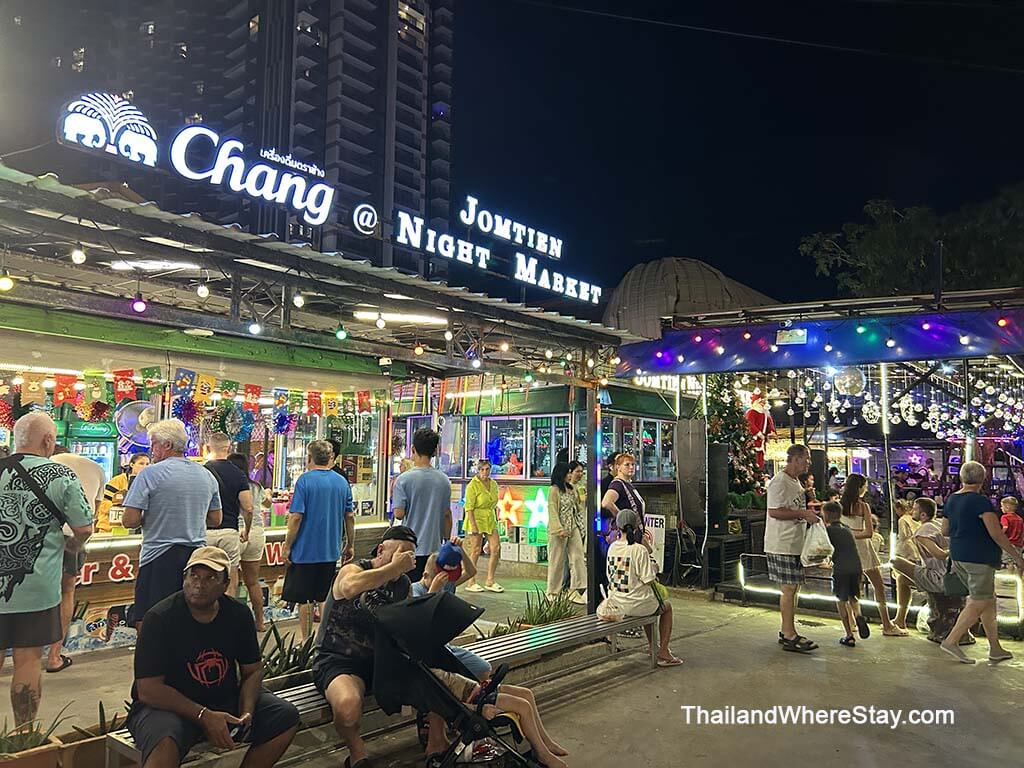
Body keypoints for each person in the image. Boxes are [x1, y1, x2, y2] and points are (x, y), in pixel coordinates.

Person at [128, 546, 300, 768]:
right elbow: (149, 690)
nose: (199, 584)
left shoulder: (238, 614)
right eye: (194, 575)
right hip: (166, 706)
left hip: (221, 698)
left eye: (211, 578)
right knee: (165, 741)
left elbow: (253, 670)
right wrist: (204, 715)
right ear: (184, 578)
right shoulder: (159, 618)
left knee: (285, 716)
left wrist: (246, 710)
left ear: (226, 584)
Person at [0, 412, 93, 726]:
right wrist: (72, 548)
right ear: (48, 440)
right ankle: (24, 737)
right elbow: (83, 527)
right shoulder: (61, 475)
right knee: (27, 661)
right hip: (36, 589)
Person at [312, 526, 419, 767]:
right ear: (381, 549)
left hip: (382, 661)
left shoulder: (403, 584)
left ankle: (437, 746)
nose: (404, 560)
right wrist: (393, 567)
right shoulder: (355, 569)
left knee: (436, 683)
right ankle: (358, 755)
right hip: (339, 660)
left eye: (409, 556)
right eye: (399, 552)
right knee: (348, 706)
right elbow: (350, 587)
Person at [123, 419, 222, 629]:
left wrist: (156, 516)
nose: (152, 451)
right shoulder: (206, 475)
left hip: (158, 557)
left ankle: (152, 660)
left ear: (166, 445)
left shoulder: (149, 474)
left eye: (154, 444)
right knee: (190, 617)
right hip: (196, 557)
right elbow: (216, 519)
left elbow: (129, 520)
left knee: (151, 619)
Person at [939, 461, 1024, 663]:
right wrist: (1017, 556)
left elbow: (944, 530)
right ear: (983, 478)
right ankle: (951, 640)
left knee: (987, 600)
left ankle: (995, 647)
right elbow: (996, 533)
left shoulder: (952, 500)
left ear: (961, 477)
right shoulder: (980, 502)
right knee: (980, 600)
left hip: (958, 554)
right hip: (978, 557)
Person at [282, 440, 354, 641]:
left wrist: (287, 546)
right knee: (324, 596)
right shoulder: (341, 482)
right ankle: (324, 638)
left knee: (305, 598)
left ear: (309, 458)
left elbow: (296, 517)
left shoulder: (305, 481)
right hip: (331, 550)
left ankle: (306, 641)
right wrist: (350, 543)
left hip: (305, 551)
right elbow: (349, 516)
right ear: (330, 458)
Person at [429, 669, 568, 768]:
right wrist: (479, 710)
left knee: (527, 694)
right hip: (475, 702)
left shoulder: (431, 662)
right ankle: (542, 754)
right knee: (523, 706)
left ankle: (546, 742)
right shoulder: (428, 679)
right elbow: (446, 703)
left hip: (478, 689)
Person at [47, 445, 105, 673]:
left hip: (44, 535)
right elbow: (94, 515)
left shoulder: (47, 463)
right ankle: (54, 656)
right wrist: (74, 545)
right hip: (74, 535)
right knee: (66, 591)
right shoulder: (97, 468)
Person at [598, 509, 681, 667]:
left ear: (617, 526)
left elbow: (610, 576)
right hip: (635, 604)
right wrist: (654, 569)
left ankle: (652, 647)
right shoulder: (639, 549)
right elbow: (648, 579)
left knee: (646, 604)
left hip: (616, 603)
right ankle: (663, 651)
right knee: (666, 607)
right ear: (636, 526)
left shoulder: (612, 548)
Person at [765, 444, 821, 653]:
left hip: (794, 542)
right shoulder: (779, 482)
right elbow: (774, 511)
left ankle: (786, 629)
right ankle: (789, 634)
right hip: (782, 542)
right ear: (795, 459)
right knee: (788, 588)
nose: (808, 462)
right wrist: (803, 514)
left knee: (793, 588)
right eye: (806, 458)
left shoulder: (795, 482)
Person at [411, 541, 491, 682]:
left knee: (484, 668)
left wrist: (461, 551)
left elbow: (471, 572)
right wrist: (433, 591)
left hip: (445, 646)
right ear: (425, 576)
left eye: (446, 580)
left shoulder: (447, 586)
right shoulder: (414, 590)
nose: (444, 584)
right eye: (440, 580)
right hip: (427, 651)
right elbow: (419, 620)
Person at [839, 473, 906, 636]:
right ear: (860, 487)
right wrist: (855, 534)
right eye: (865, 486)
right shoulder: (863, 506)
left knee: (850, 588)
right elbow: (869, 532)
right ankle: (886, 624)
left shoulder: (838, 505)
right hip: (862, 548)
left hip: (844, 549)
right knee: (878, 586)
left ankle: (852, 623)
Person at [392, 428, 453, 582]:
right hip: (434, 548)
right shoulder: (444, 480)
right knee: (430, 591)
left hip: (410, 548)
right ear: (435, 451)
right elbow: (447, 514)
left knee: (410, 592)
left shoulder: (403, 480)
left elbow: (399, 514)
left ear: (413, 449)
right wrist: (446, 539)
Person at [205, 434, 254, 596]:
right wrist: (247, 530)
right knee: (230, 582)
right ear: (229, 448)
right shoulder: (238, 473)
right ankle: (227, 618)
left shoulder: (202, 472)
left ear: (208, 447)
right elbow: (248, 507)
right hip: (229, 532)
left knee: (204, 579)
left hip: (204, 532)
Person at [228, 453, 268, 632]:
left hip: (237, 531)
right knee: (253, 582)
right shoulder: (257, 486)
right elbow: (267, 503)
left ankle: (230, 624)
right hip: (257, 533)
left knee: (231, 583)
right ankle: (260, 621)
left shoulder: (229, 483)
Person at [822, 501, 868, 647]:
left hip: (840, 569)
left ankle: (849, 635)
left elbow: (824, 548)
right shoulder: (847, 529)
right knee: (853, 596)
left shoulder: (828, 531)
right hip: (855, 566)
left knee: (841, 601)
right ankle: (859, 615)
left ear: (827, 515)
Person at [546, 462, 586, 604]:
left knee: (578, 557)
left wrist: (582, 527)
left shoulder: (572, 489)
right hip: (558, 530)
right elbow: (552, 510)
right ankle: (553, 591)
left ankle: (575, 589)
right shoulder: (554, 490)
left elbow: (578, 508)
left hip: (572, 527)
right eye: (568, 472)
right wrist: (558, 529)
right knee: (556, 561)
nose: (570, 475)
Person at [462, 459, 503, 593]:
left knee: (496, 547)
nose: (485, 472)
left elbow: (495, 503)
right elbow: (469, 507)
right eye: (482, 469)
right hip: (476, 517)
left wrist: (497, 518)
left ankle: (490, 580)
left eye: (487, 469)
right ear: (478, 470)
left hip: (489, 518)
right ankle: (470, 580)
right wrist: (473, 525)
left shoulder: (494, 484)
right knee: (475, 549)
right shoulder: (472, 485)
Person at [98, 453, 150, 532]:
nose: (145, 467)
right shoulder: (117, 481)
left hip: (134, 529)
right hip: (109, 528)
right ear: (132, 464)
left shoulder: (148, 482)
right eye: (141, 463)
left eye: (147, 464)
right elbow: (104, 504)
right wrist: (121, 507)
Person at [891, 500, 921, 631]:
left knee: (901, 580)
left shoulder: (903, 519)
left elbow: (903, 536)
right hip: (915, 551)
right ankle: (899, 618)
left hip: (905, 551)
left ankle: (900, 618)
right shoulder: (915, 520)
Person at [999, 496, 1023, 571]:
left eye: (1002, 506)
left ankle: (1010, 578)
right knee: (1018, 561)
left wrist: (999, 535)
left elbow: (1005, 527)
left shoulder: (1004, 517)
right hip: (1019, 544)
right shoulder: (1020, 519)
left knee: (1009, 562)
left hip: (1009, 543)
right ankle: (1020, 579)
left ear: (1007, 507)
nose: (1000, 508)